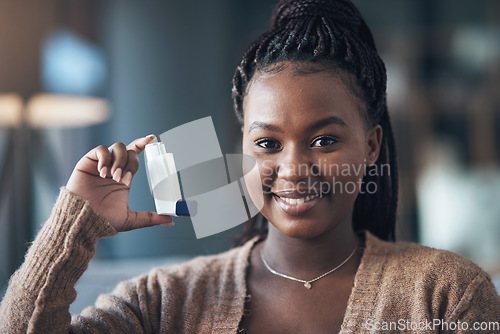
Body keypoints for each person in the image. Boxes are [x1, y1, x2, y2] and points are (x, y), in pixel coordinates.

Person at [1, 0, 499, 332]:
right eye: (267, 143)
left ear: (370, 147)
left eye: (324, 140)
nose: (294, 166)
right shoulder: (166, 300)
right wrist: (74, 225)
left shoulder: (445, 294)